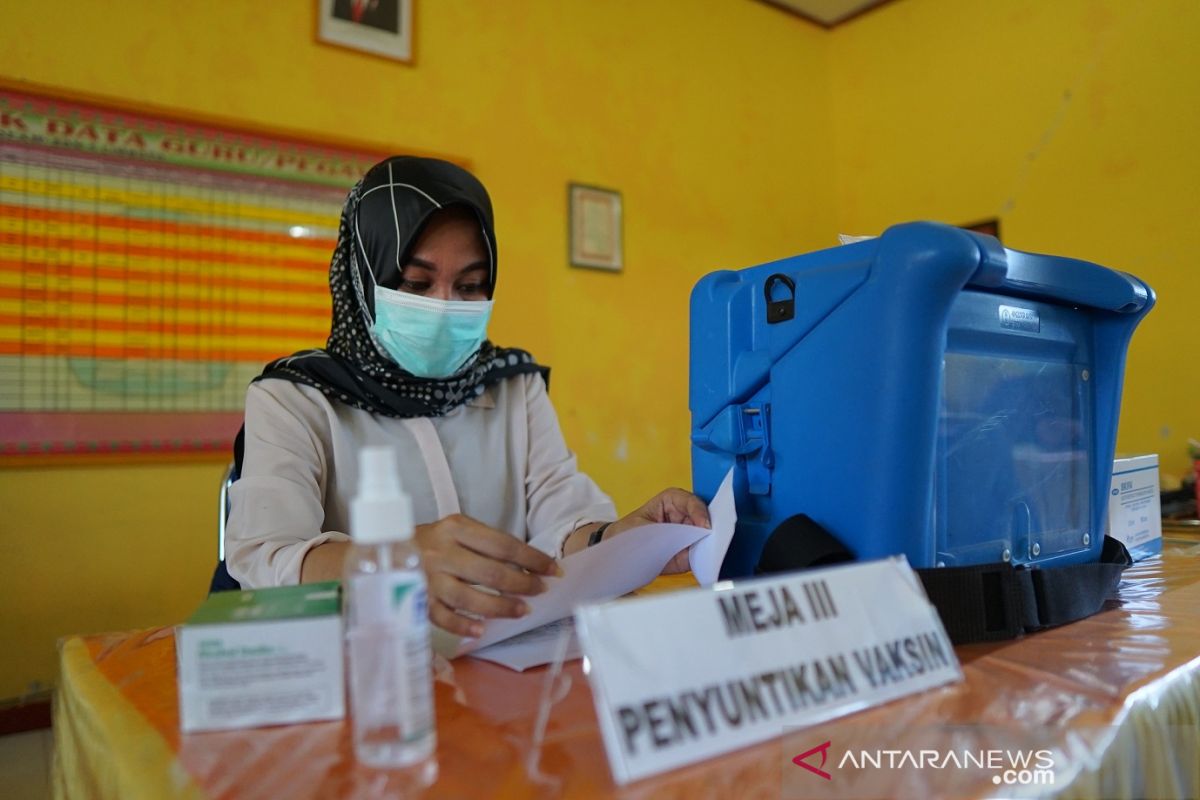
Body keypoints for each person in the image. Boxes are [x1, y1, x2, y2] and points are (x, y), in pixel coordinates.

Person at [225, 156, 709, 638]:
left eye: (470, 285)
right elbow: (266, 559)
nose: (443, 306)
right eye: (415, 283)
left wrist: (624, 540)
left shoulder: (513, 385)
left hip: (499, 678)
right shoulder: (296, 399)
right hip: (368, 674)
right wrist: (393, 561)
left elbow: (562, 522)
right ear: (364, 279)